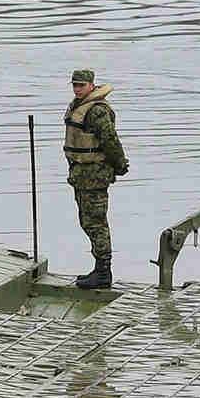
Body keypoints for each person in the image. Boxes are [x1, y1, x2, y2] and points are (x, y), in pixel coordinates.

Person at [62, 69, 130, 290]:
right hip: (82, 175)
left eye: (81, 85)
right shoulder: (80, 106)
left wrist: (120, 164)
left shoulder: (97, 111)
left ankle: (103, 273)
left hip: (94, 176)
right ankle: (99, 269)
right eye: (74, 85)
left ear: (92, 85)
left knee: (96, 223)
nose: (77, 89)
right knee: (88, 221)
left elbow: (110, 140)